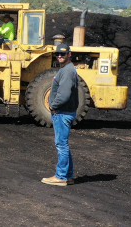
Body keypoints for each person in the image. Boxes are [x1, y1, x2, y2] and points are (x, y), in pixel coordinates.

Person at [42, 43, 79, 186]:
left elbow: (63, 95)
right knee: (63, 144)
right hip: (64, 112)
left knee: (61, 144)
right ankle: (68, 175)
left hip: (62, 113)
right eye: (57, 54)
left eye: (62, 54)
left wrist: (52, 105)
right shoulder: (67, 69)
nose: (59, 56)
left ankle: (61, 176)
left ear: (69, 54)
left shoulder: (68, 71)